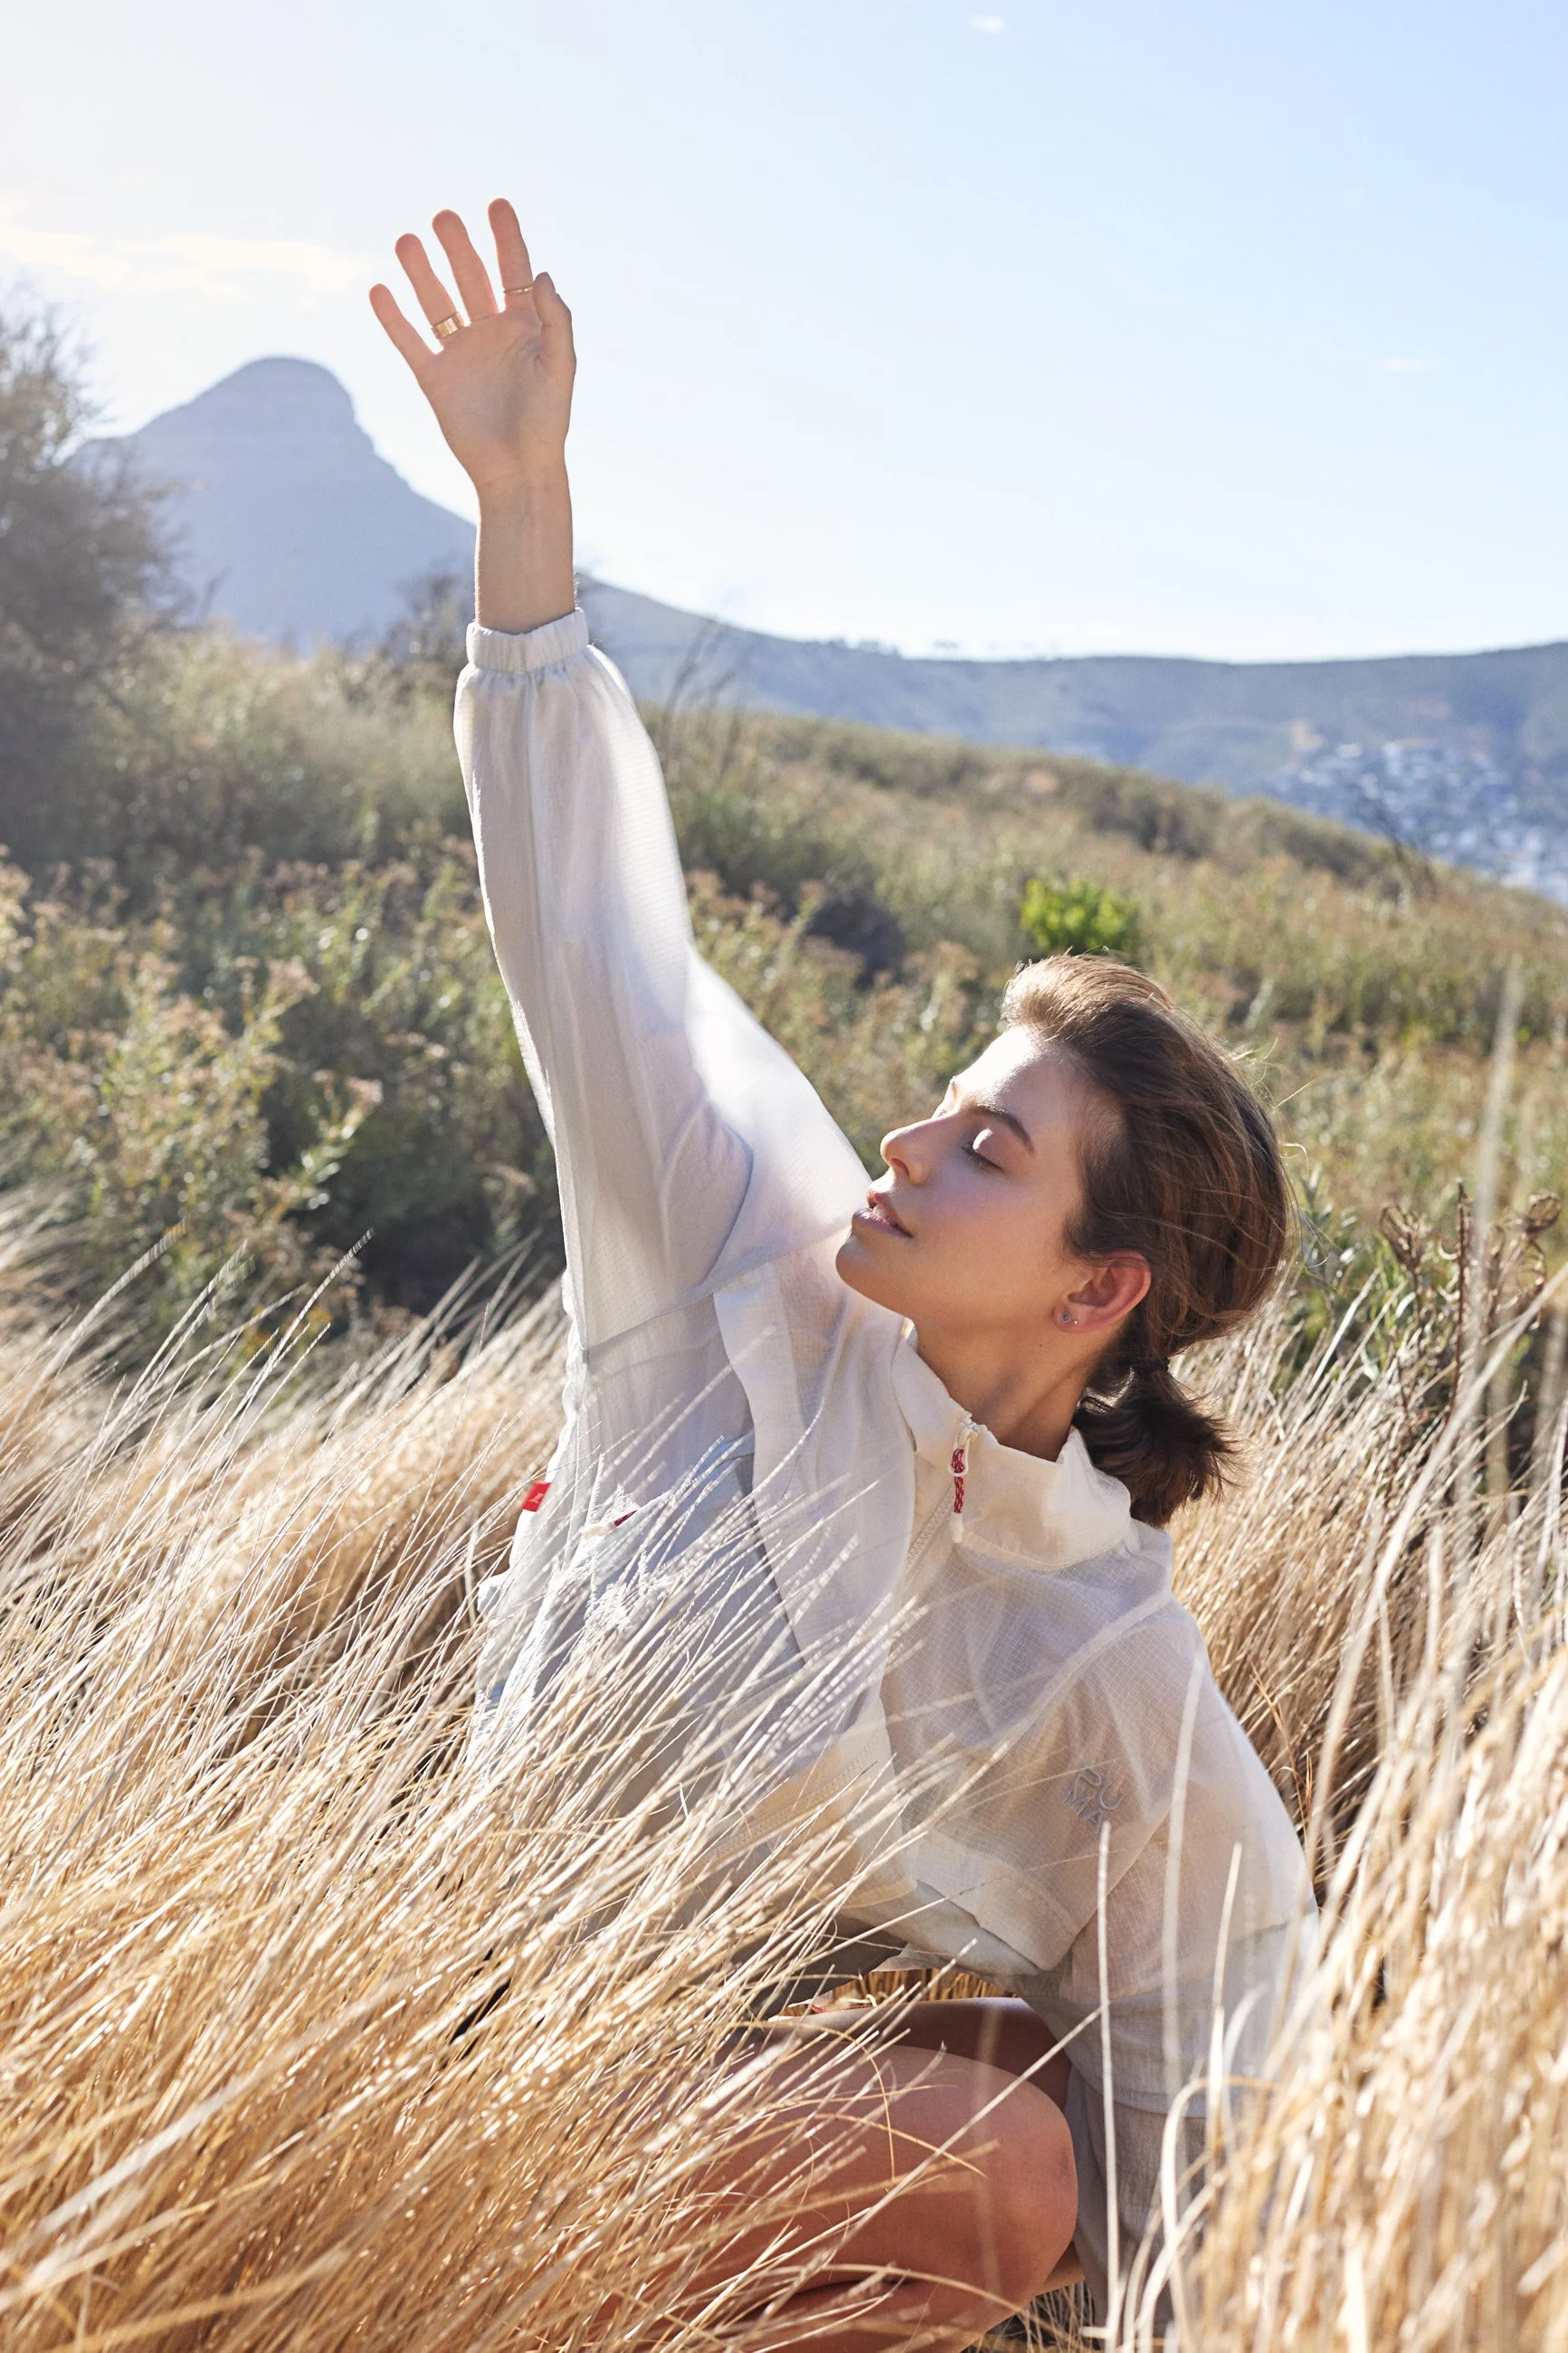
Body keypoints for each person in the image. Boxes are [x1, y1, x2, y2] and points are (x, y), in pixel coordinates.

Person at [371, 200, 1316, 2350]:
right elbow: (586, 949)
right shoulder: (729, 1271)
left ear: (1100, 1295)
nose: (905, 1143)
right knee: (985, 2145)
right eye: (942, 1103)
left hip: (710, 2131)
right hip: (456, 2055)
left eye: (988, 1149)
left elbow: (1210, 2055)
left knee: (1026, 2139)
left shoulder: (1099, 1653)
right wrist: (524, 523)